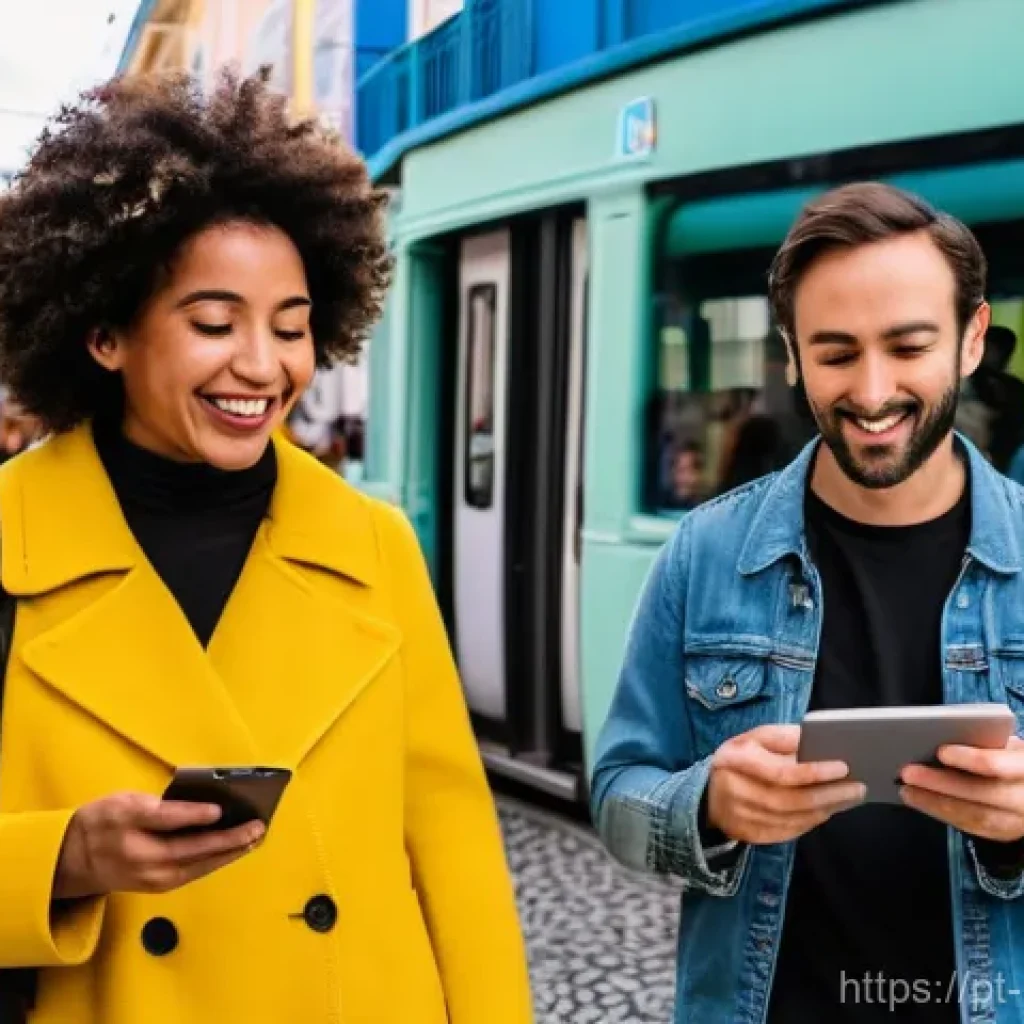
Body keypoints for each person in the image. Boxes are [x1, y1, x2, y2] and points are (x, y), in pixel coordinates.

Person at [0, 69, 533, 1024]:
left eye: (292, 329)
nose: (262, 366)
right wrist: (67, 859)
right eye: (214, 323)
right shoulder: (11, 539)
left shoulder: (372, 544)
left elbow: (451, 846)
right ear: (105, 332)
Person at [590, 182, 1024, 1023]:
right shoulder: (706, 553)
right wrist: (708, 806)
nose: (870, 393)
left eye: (907, 348)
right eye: (834, 354)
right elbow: (616, 802)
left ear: (972, 340)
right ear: (790, 353)